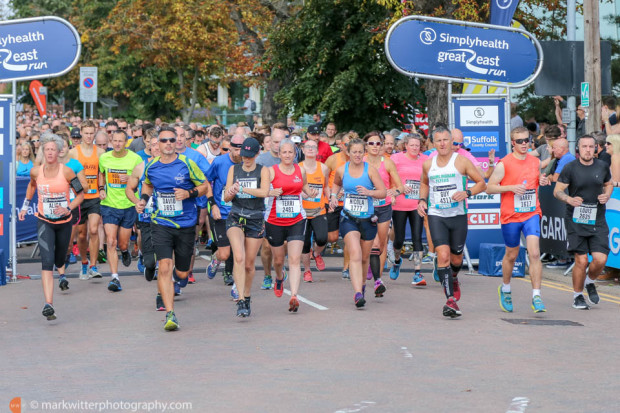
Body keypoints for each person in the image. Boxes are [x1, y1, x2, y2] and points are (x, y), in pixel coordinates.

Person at [137, 126, 209, 330]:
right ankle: (170, 314)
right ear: (157, 144)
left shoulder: (186, 163)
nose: (168, 143)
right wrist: (143, 200)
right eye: (164, 140)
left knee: (183, 272)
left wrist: (189, 194)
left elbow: (204, 186)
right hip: (161, 223)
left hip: (185, 223)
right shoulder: (151, 166)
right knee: (165, 267)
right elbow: (148, 185)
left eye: (171, 140)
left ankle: (179, 280)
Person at [417, 127, 486, 318]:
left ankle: (454, 277)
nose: (442, 144)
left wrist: (467, 192)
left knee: (456, 258)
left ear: (451, 141)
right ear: (433, 143)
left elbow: (482, 183)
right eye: (438, 140)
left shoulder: (461, 161)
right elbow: (424, 183)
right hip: (436, 214)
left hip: (457, 216)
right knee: (443, 255)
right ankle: (450, 300)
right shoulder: (428, 164)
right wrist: (422, 200)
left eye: (446, 140)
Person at [18, 133, 84, 320]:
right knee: (46, 262)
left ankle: (62, 261)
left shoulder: (67, 172)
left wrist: (68, 207)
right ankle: (49, 304)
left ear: (59, 152)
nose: (49, 152)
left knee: (60, 258)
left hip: (64, 222)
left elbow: (80, 194)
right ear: (42, 152)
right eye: (46, 149)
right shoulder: (36, 171)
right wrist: (24, 206)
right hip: (44, 221)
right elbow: (31, 187)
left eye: (52, 149)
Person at [549, 135, 613, 309]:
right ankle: (577, 296)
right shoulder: (570, 168)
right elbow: (557, 191)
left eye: (591, 147)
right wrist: (569, 199)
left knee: (600, 259)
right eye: (584, 146)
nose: (587, 150)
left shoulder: (602, 166)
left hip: (597, 219)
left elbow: (609, 184)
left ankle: (590, 282)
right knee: (582, 260)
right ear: (578, 149)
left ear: (595, 148)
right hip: (576, 219)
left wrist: (607, 194)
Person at [487, 127, 546, 313]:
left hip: (531, 213)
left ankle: (536, 296)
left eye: (526, 140)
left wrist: (543, 181)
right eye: (519, 141)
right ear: (512, 143)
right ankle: (505, 288)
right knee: (511, 255)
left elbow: (536, 183)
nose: (523, 144)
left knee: (534, 253)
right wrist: (510, 187)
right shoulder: (504, 164)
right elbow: (489, 188)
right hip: (511, 215)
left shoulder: (535, 162)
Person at [329, 138, 387, 308]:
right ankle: (357, 293)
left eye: (360, 152)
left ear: (364, 153)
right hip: (348, 218)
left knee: (364, 258)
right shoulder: (342, 170)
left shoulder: (371, 171)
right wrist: (333, 197)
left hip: (367, 219)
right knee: (355, 253)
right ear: (348, 152)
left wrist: (369, 192)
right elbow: (336, 185)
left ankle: (361, 286)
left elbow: (383, 192)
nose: (357, 155)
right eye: (354, 152)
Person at [265, 139, 317, 312]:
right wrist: (270, 192)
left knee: (294, 260)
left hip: (296, 219)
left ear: (295, 154)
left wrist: (310, 193)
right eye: (284, 152)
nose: (287, 155)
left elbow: (304, 186)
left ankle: (294, 295)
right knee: (279, 260)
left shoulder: (299, 170)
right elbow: (262, 190)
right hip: (274, 220)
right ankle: (279, 277)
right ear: (279, 154)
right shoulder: (271, 171)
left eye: (290, 152)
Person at [224, 137, 270, 317]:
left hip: (255, 219)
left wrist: (242, 189)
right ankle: (241, 299)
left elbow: (264, 192)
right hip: (236, 216)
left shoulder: (263, 170)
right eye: (244, 155)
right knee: (240, 257)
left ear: (257, 154)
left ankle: (247, 295)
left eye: (250, 156)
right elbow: (227, 198)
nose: (246, 159)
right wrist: (231, 192)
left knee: (250, 265)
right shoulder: (233, 169)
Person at [98, 129, 143, 292]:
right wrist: (101, 188)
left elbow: (142, 179)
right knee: (111, 241)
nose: (117, 144)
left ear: (126, 142)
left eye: (121, 141)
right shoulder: (104, 158)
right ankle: (115, 278)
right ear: (111, 141)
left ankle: (125, 251)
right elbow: (101, 174)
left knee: (123, 243)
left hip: (128, 205)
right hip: (109, 205)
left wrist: (131, 179)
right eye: (115, 140)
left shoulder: (135, 159)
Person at [363, 131, 404, 296]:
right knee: (371, 245)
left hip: (384, 207)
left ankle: (377, 279)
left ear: (382, 146)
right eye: (371, 144)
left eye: (378, 143)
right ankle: (376, 279)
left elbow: (399, 186)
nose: (375, 147)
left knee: (381, 244)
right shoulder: (361, 161)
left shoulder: (387, 163)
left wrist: (393, 192)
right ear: (366, 146)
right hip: (366, 207)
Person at [126, 135, 163, 310]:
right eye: (153, 144)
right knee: (150, 261)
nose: (156, 147)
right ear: (149, 146)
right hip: (147, 218)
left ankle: (164, 292)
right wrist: (137, 202)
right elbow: (129, 189)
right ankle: (148, 264)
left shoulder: (173, 165)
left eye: (159, 144)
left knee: (166, 257)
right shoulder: (141, 166)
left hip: (166, 218)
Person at [68, 120, 106, 279]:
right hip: (79, 198)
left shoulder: (100, 153)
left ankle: (93, 265)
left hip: (95, 197)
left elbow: (101, 173)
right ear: (81, 133)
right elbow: (69, 174)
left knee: (94, 230)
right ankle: (84, 263)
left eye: (92, 133)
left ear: (95, 133)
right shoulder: (73, 153)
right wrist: (79, 188)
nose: (89, 136)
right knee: (82, 235)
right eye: (86, 133)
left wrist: (102, 188)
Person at [390, 134, 428, 284]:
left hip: (416, 204)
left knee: (417, 237)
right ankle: (397, 261)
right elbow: (389, 178)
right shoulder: (396, 158)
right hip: (399, 203)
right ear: (405, 145)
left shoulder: (425, 160)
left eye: (417, 145)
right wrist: (398, 189)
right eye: (412, 145)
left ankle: (417, 272)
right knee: (398, 239)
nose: (414, 148)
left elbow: (428, 180)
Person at [205, 135, 241, 290]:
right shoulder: (219, 162)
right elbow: (206, 181)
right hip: (220, 211)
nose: (239, 152)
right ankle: (216, 258)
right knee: (225, 253)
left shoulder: (249, 164)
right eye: (236, 148)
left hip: (240, 212)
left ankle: (228, 273)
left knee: (237, 247)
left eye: (241, 148)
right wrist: (213, 204)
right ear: (230, 147)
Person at [256, 126, 285, 289]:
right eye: (275, 142)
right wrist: (268, 191)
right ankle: (268, 275)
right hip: (267, 208)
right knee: (266, 246)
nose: (278, 145)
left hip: (287, 208)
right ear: (269, 143)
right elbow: (256, 185)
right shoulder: (261, 160)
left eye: (281, 142)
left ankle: (280, 267)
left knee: (286, 244)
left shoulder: (291, 158)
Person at [299, 139, 330, 283]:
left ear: (317, 151)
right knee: (304, 244)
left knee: (323, 238)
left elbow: (326, 187)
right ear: (303, 150)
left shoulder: (323, 168)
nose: (310, 149)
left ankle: (316, 253)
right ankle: (307, 271)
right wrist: (302, 193)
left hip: (318, 210)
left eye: (313, 147)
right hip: (303, 212)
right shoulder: (298, 168)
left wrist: (331, 198)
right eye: (308, 147)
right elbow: (293, 188)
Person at [325, 132, 351, 278]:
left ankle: (346, 268)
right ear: (341, 144)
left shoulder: (359, 160)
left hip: (350, 203)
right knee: (333, 237)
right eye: (346, 144)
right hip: (334, 202)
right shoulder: (333, 159)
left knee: (349, 236)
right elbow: (324, 180)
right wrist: (330, 195)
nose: (348, 147)